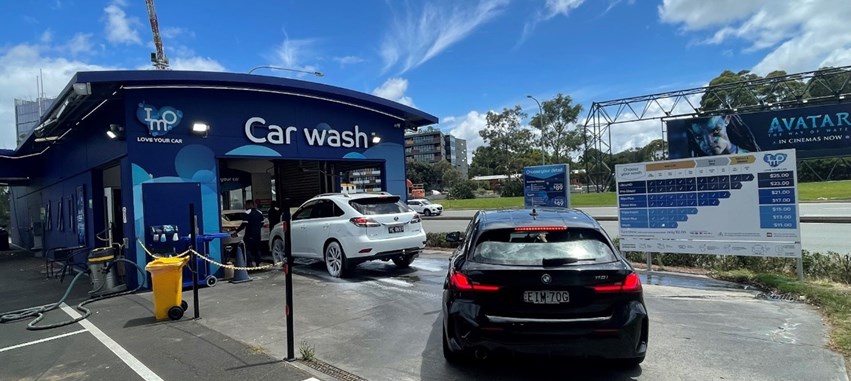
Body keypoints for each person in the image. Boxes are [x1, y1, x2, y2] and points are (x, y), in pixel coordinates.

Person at [234, 199, 264, 267]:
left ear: (250, 204)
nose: (245, 206)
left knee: (248, 249)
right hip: (258, 234)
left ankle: (249, 263)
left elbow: (243, 225)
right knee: (258, 248)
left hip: (249, 234)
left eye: (246, 204)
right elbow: (262, 223)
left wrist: (236, 232)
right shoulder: (260, 212)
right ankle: (258, 263)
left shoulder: (247, 213)